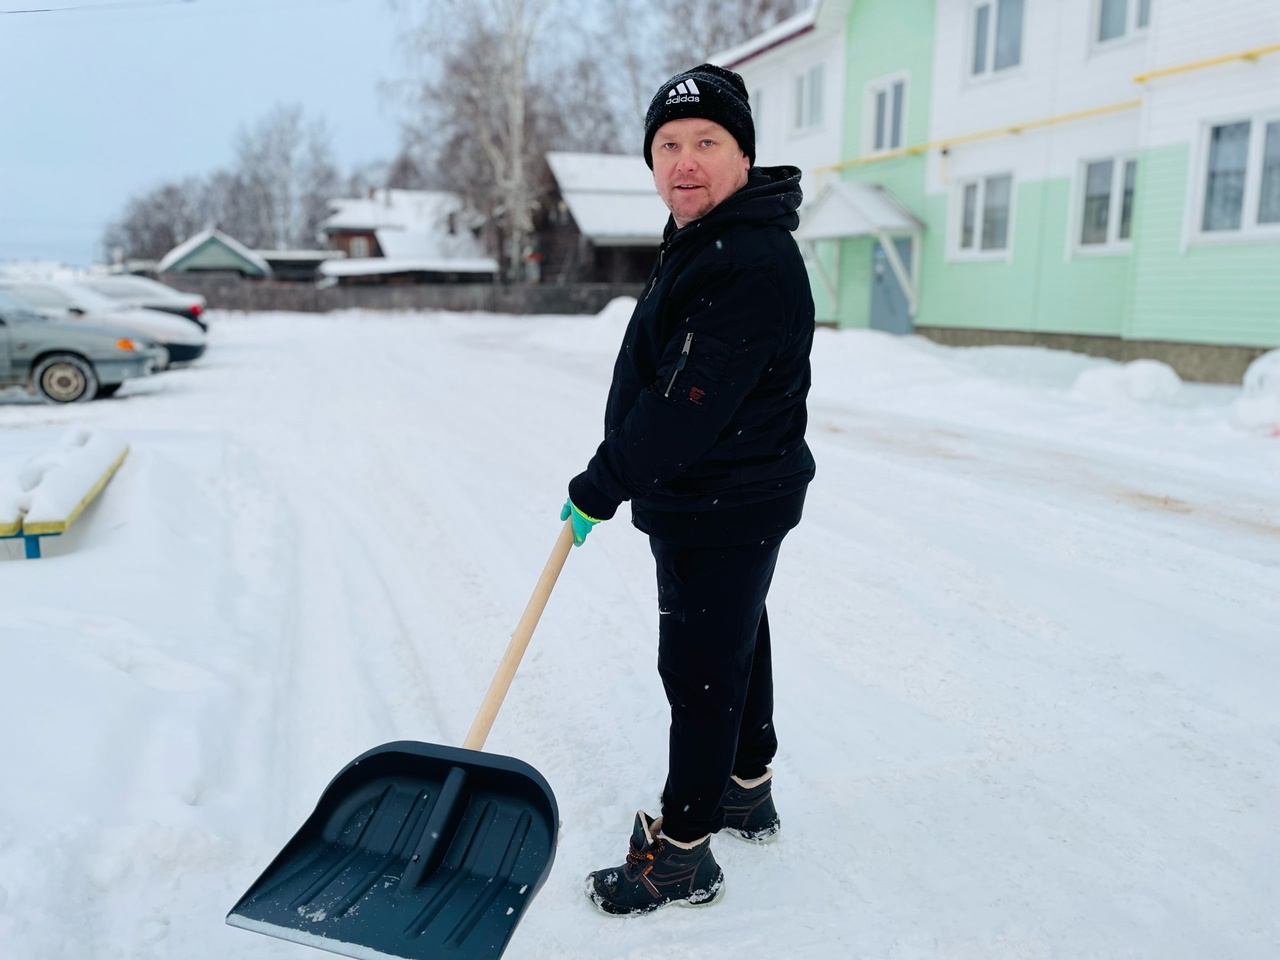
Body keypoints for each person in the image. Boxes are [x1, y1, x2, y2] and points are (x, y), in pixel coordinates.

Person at [560, 62, 816, 916]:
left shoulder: (744, 258)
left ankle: (684, 854)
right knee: (739, 638)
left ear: (743, 155)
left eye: (707, 141)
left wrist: (602, 482)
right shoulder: (714, 238)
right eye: (668, 146)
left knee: (701, 671)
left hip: (720, 497)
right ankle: (747, 789)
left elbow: (685, 407)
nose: (685, 161)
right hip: (725, 498)